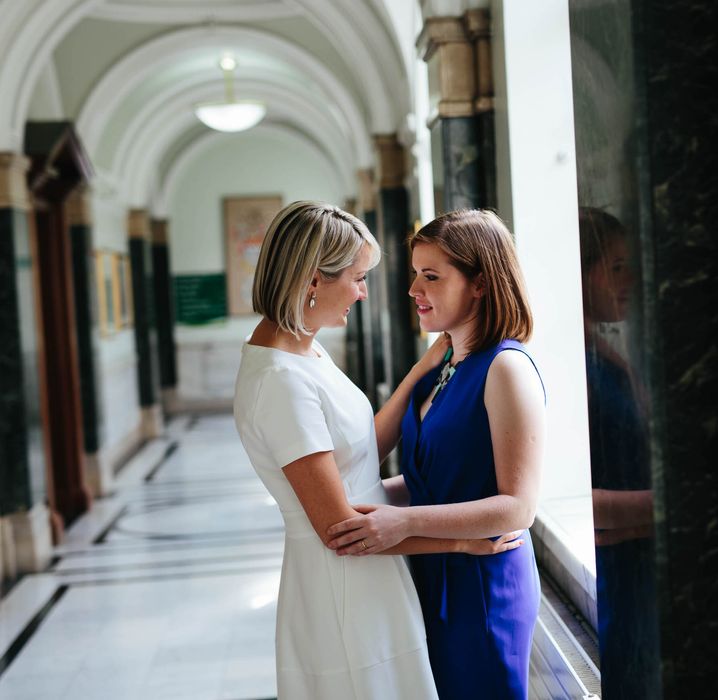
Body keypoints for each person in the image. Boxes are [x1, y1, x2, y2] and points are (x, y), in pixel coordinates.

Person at [232, 201, 523, 700]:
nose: (364, 292)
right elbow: (340, 530)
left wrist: (426, 366)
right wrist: (460, 543)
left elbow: (357, 451)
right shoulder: (280, 379)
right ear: (312, 280)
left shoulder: (301, 346)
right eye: (357, 277)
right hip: (346, 588)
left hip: (372, 574)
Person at [326, 209, 546, 700]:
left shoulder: (506, 368)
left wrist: (401, 523)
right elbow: (430, 476)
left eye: (431, 276)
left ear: (481, 284)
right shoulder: (442, 367)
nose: (413, 290)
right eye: (414, 274)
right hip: (430, 565)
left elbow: (518, 507)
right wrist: (365, 500)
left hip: (483, 582)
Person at [579, 206, 661, 698]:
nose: (631, 279)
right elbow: (557, 493)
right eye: (616, 267)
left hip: (636, 557)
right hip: (617, 571)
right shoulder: (576, 366)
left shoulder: (603, 353)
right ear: (581, 271)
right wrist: (666, 510)